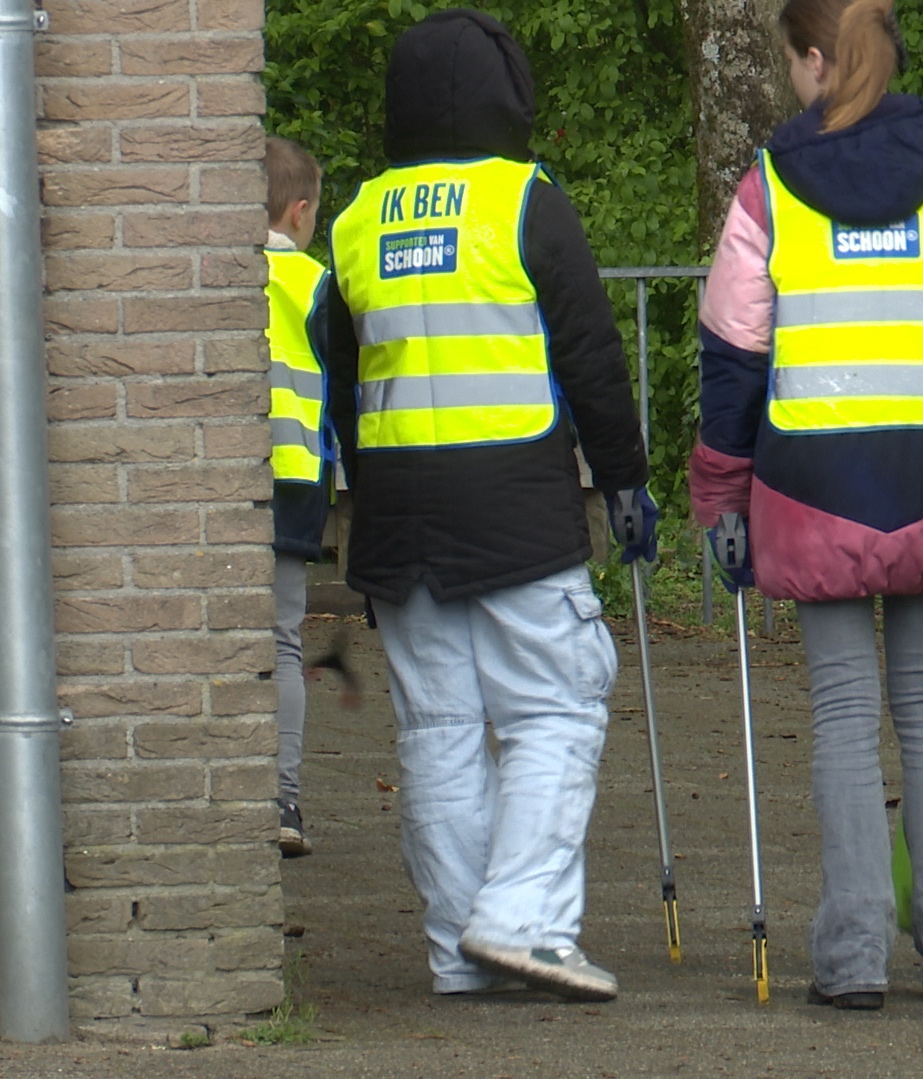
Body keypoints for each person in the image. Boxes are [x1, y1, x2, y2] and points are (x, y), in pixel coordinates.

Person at [690, 0, 923, 1010]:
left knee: (845, 716)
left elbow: (731, 359)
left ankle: (851, 957)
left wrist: (718, 491)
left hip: (810, 481)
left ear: (812, 60)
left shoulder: (769, 188)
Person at [320, 10, 653, 1002]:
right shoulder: (525, 202)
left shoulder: (356, 219)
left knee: (439, 732)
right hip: (514, 509)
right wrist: (625, 478)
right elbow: (589, 355)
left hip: (398, 518)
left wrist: (362, 509)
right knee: (556, 704)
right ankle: (523, 923)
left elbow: (345, 391)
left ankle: (458, 946)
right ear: (510, 97)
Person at [263, 135, 335, 858]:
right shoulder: (314, 285)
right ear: (300, 209)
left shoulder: (210, 274)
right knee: (283, 643)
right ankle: (282, 796)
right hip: (291, 482)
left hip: (219, 484)